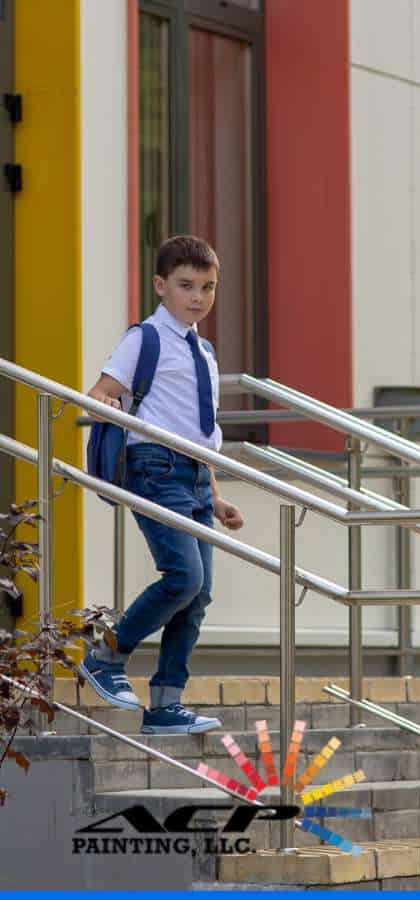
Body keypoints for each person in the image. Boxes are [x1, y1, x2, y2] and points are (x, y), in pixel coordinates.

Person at [78, 235, 244, 735]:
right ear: (160, 285)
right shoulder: (143, 339)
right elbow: (99, 394)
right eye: (186, 286)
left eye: (208, 287)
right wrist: (106, 405)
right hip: (153, 466)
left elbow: (201, 431)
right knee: (183, 576)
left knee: (199, 593)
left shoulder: (205, 351)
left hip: (193, 472)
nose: (197, 297)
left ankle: (166, 704)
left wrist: (213, 494)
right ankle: (107, 655)